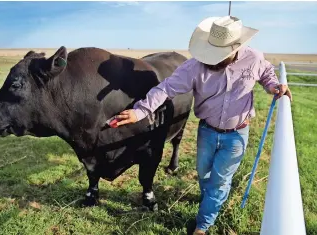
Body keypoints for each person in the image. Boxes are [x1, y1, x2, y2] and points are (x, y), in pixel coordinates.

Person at [114, 16, 292, 235]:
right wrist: (140, 110)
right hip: (207, 131)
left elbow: (266, 73)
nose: (213, 60)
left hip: (236, 135)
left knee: (219, 181)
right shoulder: (194, 66)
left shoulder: (253, 58)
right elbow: (166, 88)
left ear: (235, 49)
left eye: (219, 56)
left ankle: (202, 225)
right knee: (204, 174)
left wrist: (274, 86)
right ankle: (212, 200)